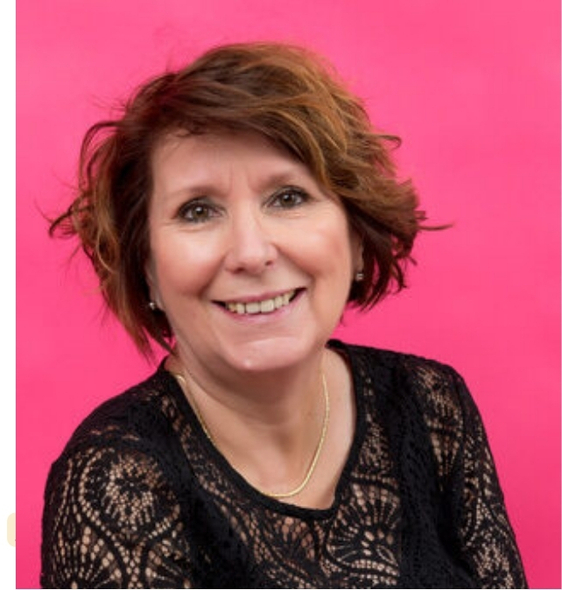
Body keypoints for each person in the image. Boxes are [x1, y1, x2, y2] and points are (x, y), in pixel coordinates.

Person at [41, 42, 527, 588]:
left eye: (289, 198)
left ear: (357, 234)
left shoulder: (431, 404)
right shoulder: (114, 482)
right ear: (147, 268)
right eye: (198, 211)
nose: (251, 253)